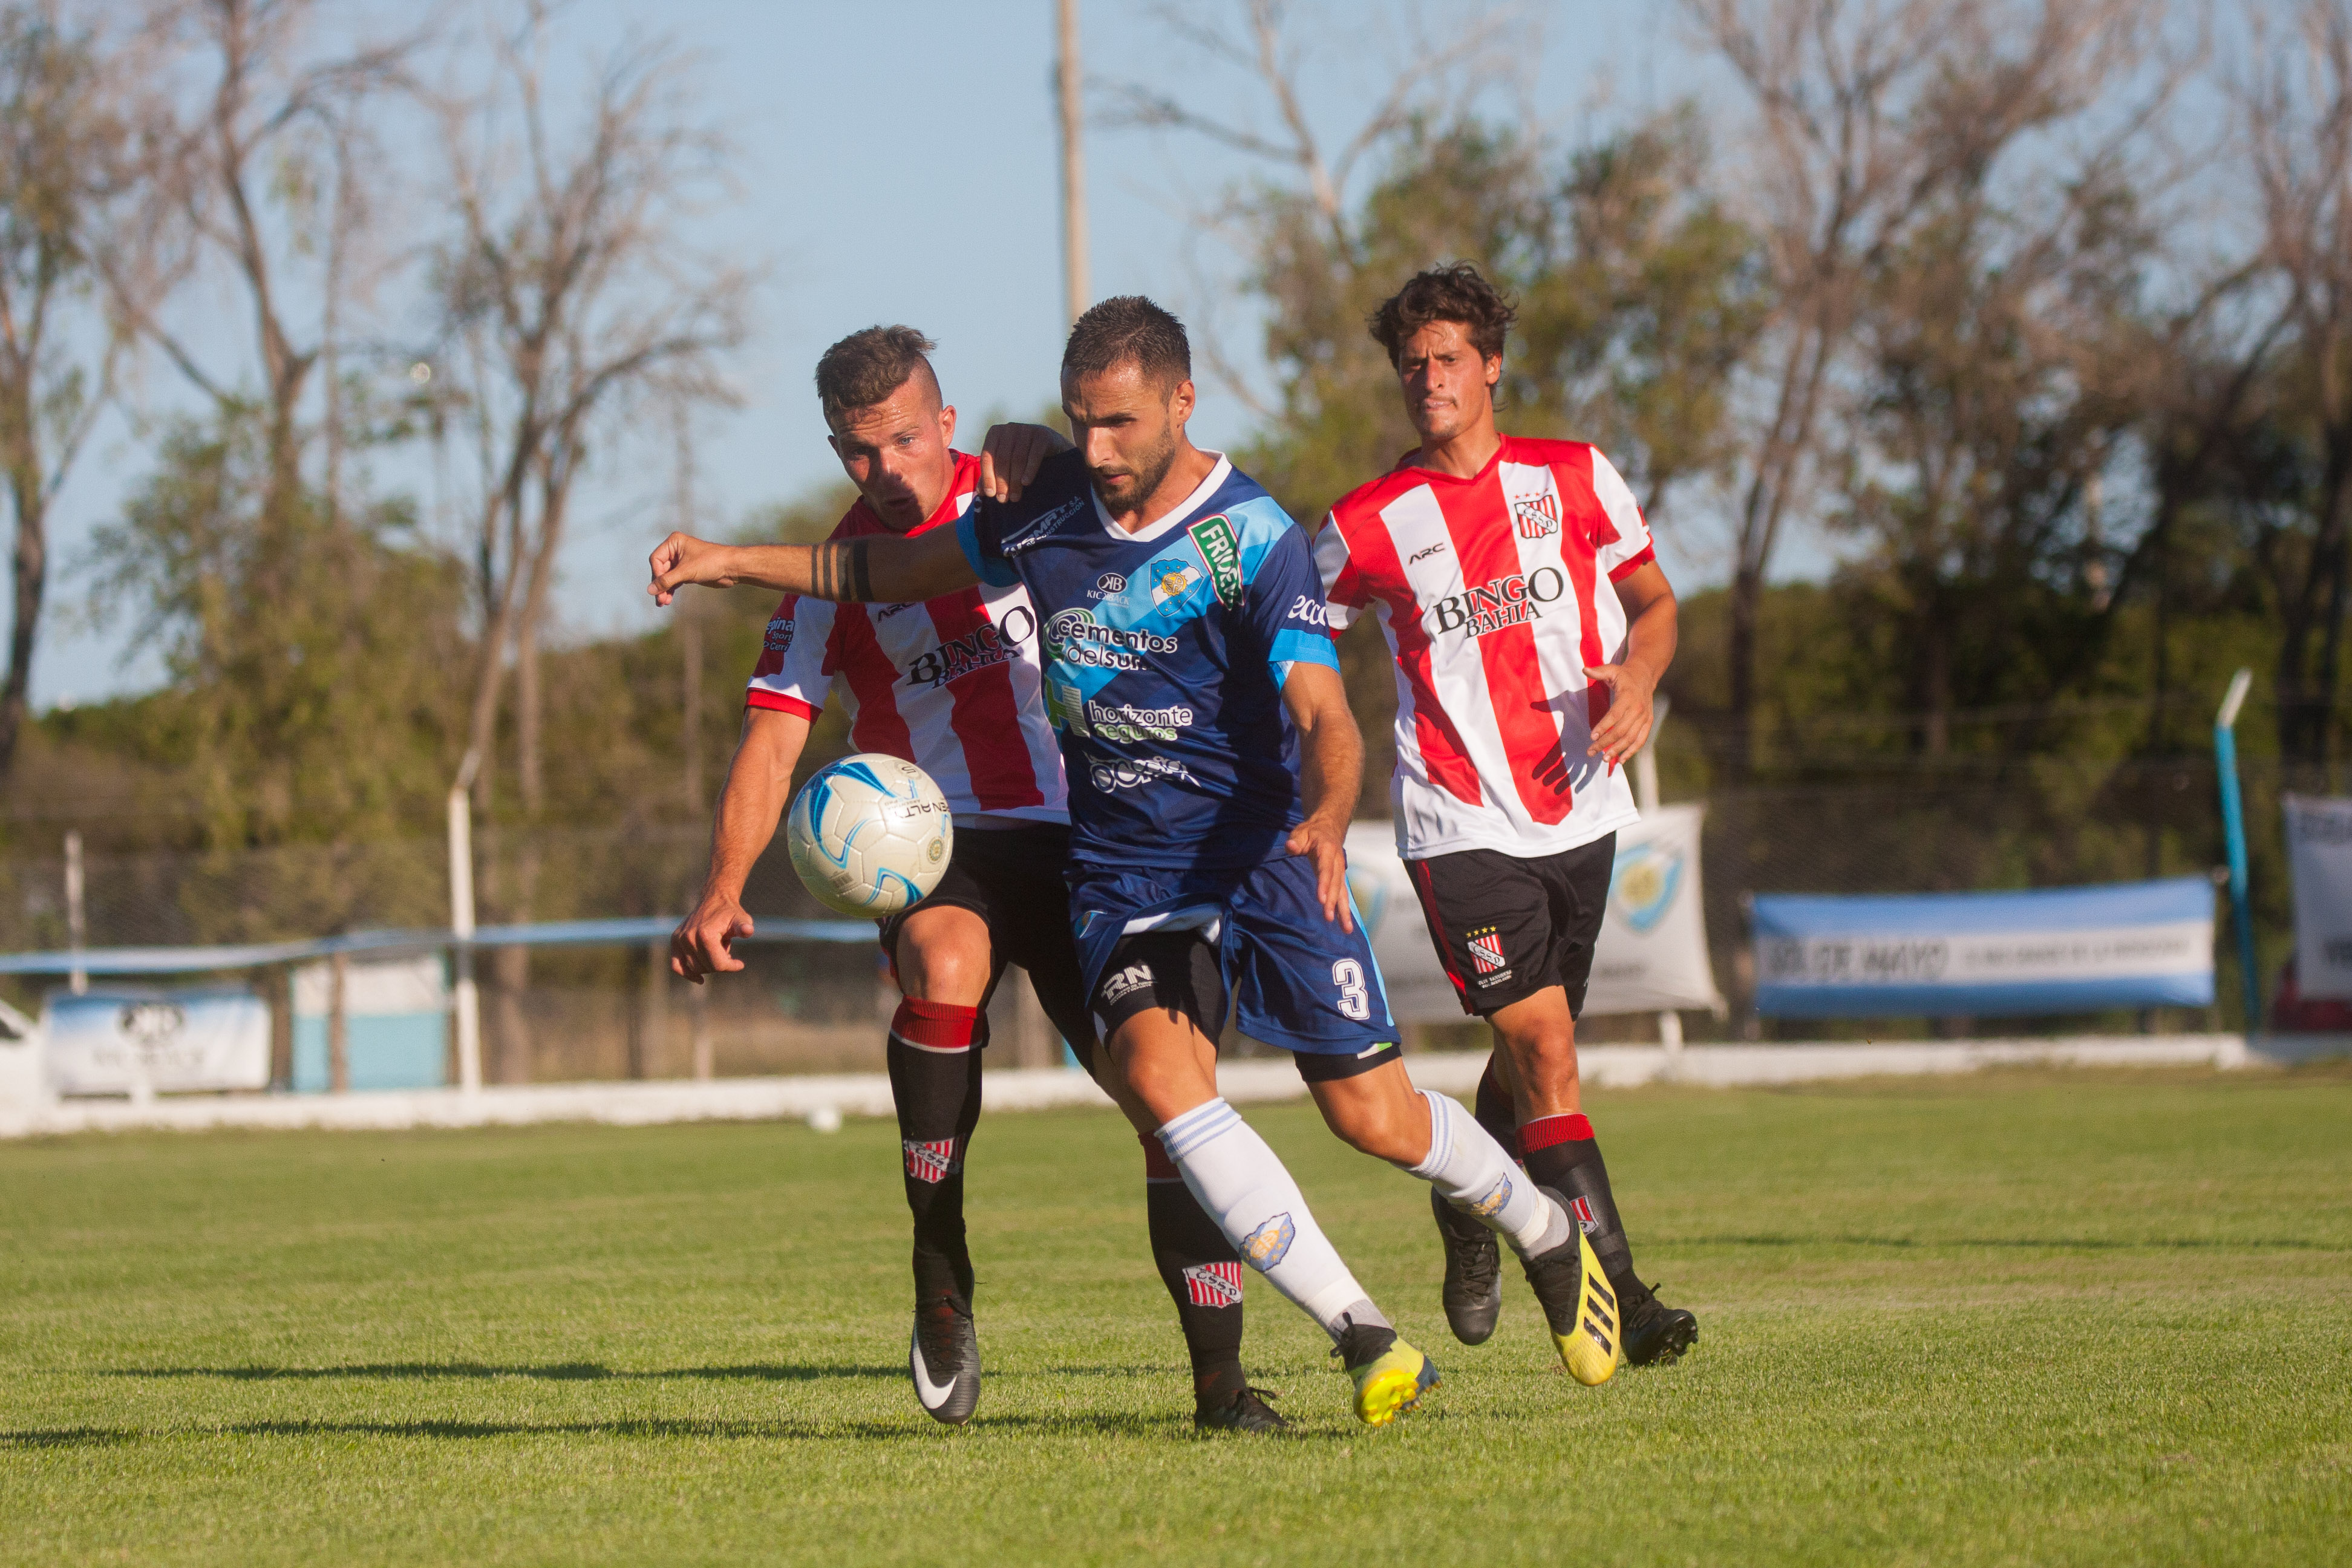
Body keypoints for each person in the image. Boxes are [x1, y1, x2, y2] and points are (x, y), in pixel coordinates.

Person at [652, 296, 1623, 1426]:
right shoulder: (1044, 510)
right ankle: (1361, 1335)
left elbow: (1325, 711)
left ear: (1181, 402)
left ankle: (1544, 1231)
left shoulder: (1251, 536)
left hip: (1259, 854)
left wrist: (1329, 810)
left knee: (1375, 1118)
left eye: (1117, 423)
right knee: (1162, 1085)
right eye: (1079, 422)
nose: (1097, 448)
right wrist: (729, 560)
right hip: (1122, 873)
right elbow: (885, 575)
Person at [668, 325, 1274, 1432]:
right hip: (946, 846)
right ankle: (940, 1266)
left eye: (906, 439)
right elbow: (772, 738)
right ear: (836, 450)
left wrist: (1041, 443)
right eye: (861, 450)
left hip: (1100, 837)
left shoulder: (1030, 497)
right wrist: (722, 885)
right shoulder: (827, 581)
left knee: (1170, 1097)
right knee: (944, 964)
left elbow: (1151, 487)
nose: (887, 468)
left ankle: (1221, 1389)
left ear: (946, 423)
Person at [1313, 262, 1700, 1366]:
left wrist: (1640, 677)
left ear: (1492, 367)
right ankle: (1620, 1294)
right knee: (1545, 1047)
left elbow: (1655, 603)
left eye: (1448, 359)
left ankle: (1465, 1197)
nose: (1428, 379)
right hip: (1457, 823)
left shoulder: (1575, 476)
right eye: (1411, 365)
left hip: (1582, 806)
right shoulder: (1364, 525)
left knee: (1533, 1052)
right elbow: (1295, 647)